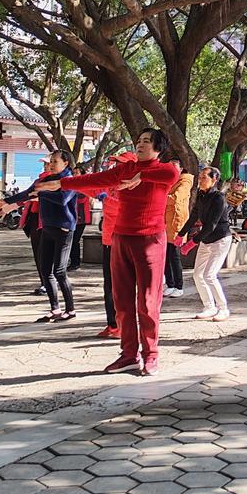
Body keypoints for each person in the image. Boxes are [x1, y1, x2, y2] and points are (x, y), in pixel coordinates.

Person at [42, 130, 180, 375]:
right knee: (122, 301)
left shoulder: (163, 170)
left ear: (158, 148)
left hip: (150, 240)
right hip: (121, 238)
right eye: (138, 141)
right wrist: (63, 183)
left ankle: (151, 355)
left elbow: (172, 174)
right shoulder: (125, 170)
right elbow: (95, 179)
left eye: (146, 141)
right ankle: (128, 355)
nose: (140, 144)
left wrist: (141, 175)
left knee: (148, 301)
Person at [2, 150, 80, 323]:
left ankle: (70, 309)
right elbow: (27, 193)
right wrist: (6, 201)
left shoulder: (70, 181)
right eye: (50, 161)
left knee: (60, 271)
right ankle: (55, 309)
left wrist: (41, 194)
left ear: (66, 163)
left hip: (64, 229)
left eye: (55, 161)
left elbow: (62, 199)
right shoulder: (45, 180)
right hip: (47, 227)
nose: (51, 165)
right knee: (46, 271)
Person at [180, 166, 232, 320]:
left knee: (209, 275)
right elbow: (193, 216)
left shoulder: (219, 198)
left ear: (214, 180)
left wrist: (192, 243)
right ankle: (209, 306)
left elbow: (211, 225)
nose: (200, 180)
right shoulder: (201, 195)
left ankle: (223, 308)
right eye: (200, 177)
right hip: (206, 239)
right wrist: (181, 234)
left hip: (220, 239)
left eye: (204, 177)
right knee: (198, 274)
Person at [93, 151, 137, 337]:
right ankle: (112, 324)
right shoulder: (112, 183)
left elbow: (122, 207)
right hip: (108, 239)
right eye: (116, 163)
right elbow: (94, 189)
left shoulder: (133, 186)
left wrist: (105, 199)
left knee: (121, 286)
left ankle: (123, 325)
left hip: (122, 239)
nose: (117, 167)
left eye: (121, 164)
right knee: (109, 285)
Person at [163, 158, 194, 298]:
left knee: (174, 256)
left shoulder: (185, 182)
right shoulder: (169, 181)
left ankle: (179, 286)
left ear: (181, 169)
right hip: (166, 223)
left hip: (177, 225)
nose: (171, 168)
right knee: (166, 256)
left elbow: (175, 198)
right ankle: (170, 284)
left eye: (174, 166)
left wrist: (161, 198)